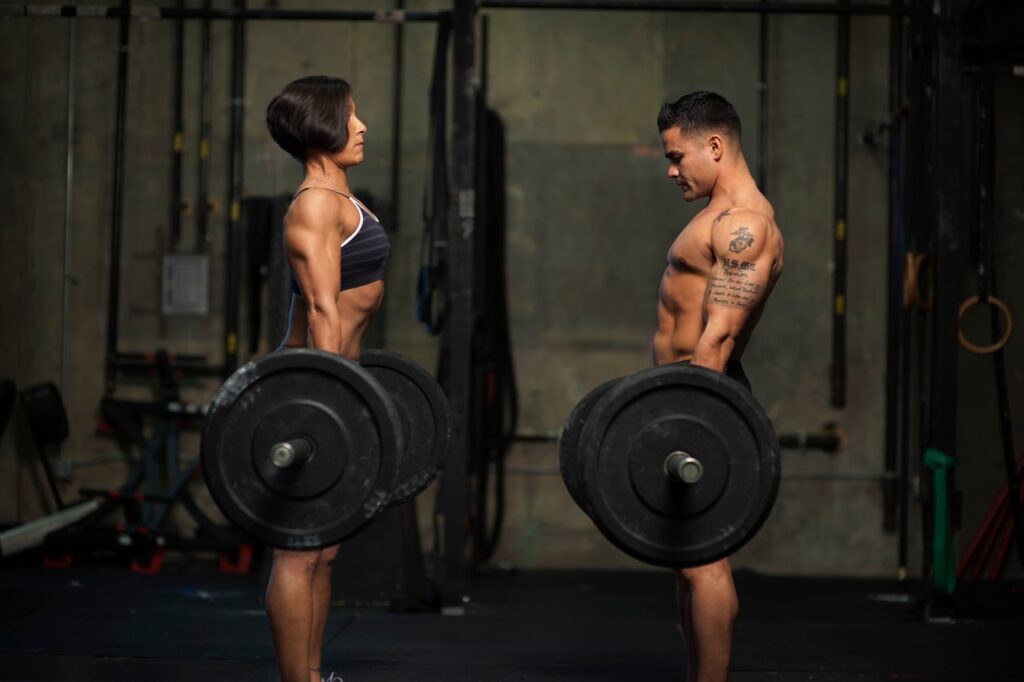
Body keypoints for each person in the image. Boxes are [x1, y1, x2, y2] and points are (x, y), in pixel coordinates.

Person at [653, 91, 784, 681]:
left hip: (708, 396)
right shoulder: (719, 217)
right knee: (688, 560)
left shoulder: (745, 226)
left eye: (678, 156)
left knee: (706, 561)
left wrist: (692, 415)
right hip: (684, 394)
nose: (672, 170)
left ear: (715, 144)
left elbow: (720, 339)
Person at [264, 75, 390, 682]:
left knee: (326, 549)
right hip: (314, 392)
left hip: (336, 385)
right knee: (298, 549)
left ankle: (314, 675)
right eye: (350, 116)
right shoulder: (314, 205)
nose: (361, 126)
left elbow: (318, 309)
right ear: (320, 126)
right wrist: (331, 405)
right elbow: (320, 311)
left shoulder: (339, 199)